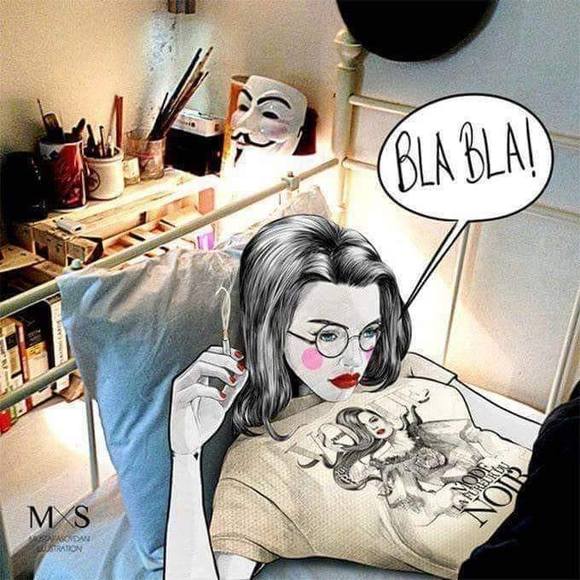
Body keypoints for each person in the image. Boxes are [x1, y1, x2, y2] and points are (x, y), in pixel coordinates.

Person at [163, 215, 553, 580]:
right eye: (328, 336)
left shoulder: (406, 370)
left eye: (368, 332)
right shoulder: (261, 466)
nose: (355, 358)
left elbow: (538, 434)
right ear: (271, 330)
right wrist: (185, 456)